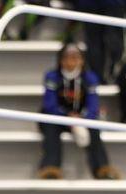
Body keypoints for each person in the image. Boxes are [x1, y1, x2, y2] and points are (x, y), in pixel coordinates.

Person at [37, 43, 120, 179]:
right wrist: (67, 117)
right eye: (66, 58)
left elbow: (93, 106)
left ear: (82, 60)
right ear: (60, 60)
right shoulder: (52, 77)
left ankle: (102, 169)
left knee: (94, 129)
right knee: (50, 129)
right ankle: (50, 168)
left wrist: (81, 118)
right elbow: (49, 105)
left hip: (82, 118)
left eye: (75, 58)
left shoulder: (90, 78)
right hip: (57, 118)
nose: (71, 62)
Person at [74, 0, 126, 84]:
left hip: (109, 5)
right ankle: (99, 77)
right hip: (95, 5)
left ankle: (109, 75)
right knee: (96, 44)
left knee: (112, 42)